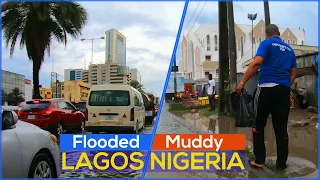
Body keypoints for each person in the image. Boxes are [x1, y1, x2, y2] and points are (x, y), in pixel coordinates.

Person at [236, 24, 297, 170]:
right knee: (281, 128)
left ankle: (259, 160)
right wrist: (285, 85)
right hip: (283, 91)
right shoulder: (290, 50)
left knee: (258, 125)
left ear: (266, 33)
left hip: (266, 89)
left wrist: (242, 82)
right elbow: (293, 72)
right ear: (279, 33)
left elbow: (257, 62)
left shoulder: (266, 43)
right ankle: (281, 164)